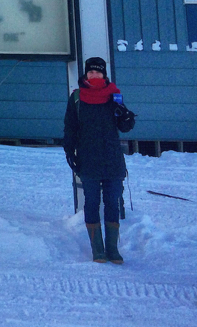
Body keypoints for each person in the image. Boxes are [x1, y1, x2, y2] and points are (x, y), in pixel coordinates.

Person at [63, 57, 136, 264]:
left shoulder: (114, 95)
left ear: (104, 74)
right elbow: (70, 127)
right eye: (91, 72)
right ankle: (98, 251)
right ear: (86, 75)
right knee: (92, 202)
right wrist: (69, 151)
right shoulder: (77, 98)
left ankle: (113, 250)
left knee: (113, 202)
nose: (94, 75)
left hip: (112, 159)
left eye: (98, 72)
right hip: (88, 159)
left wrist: (126, 116)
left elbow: (125, 126)